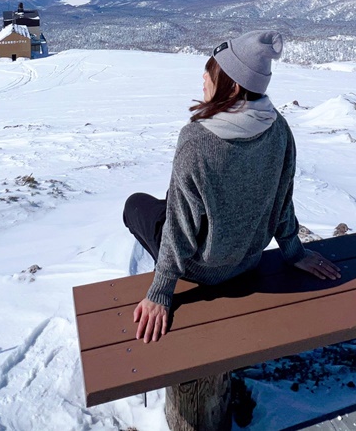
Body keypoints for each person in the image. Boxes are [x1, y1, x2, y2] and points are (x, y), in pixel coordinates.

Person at [123, 30, 341, 344]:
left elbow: (180, 230)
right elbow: (282, 201)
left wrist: (160, 292)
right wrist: (293, 253)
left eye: (210, 73)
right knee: (175, 202)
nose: (203, 79)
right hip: (248, 260)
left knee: (135, 205)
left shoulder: (196, 141)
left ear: (233, 85)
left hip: (200, 270)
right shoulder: (277, 128)